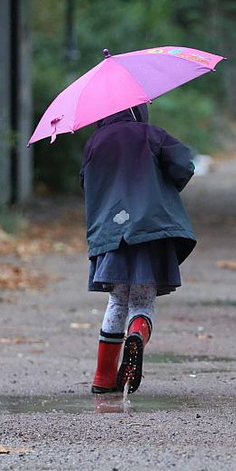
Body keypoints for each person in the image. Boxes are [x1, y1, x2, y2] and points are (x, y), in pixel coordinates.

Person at [81, 104, 196, 395]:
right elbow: (184, 166)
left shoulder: (95, 142)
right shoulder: (151, 135)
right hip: (150, 230)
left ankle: (103, 377)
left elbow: (87, 183)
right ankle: (137, 334)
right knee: (142, 303)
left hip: (113, 231)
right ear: (138, 108)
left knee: (117, 301)